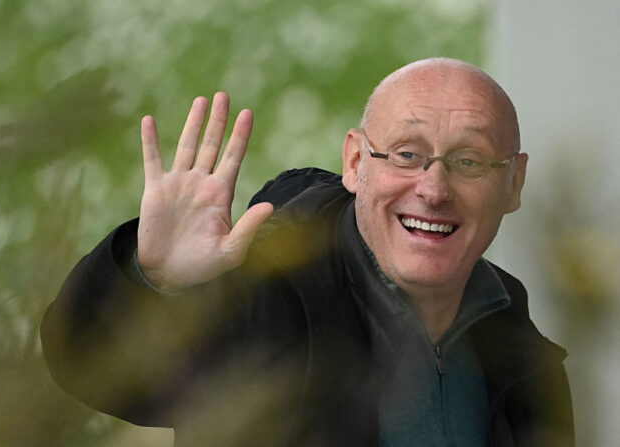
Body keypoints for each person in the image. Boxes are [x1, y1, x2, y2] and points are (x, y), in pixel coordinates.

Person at [40, 58, 574, 446]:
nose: (434, 189)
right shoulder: (264, 296)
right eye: (407, 154)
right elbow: (90, 370)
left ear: (514, 184)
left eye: (471, 161)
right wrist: (154, 279)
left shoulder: (528, 359)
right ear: (355, 162)